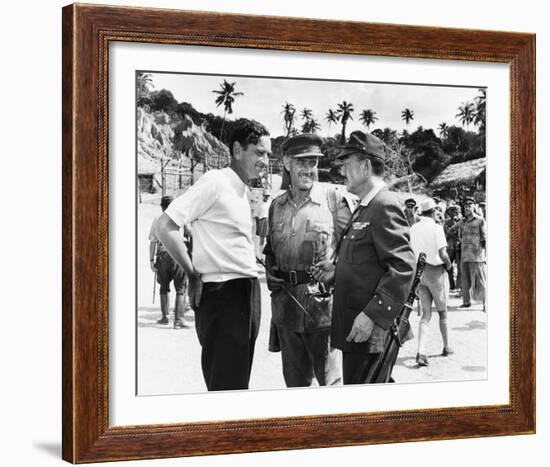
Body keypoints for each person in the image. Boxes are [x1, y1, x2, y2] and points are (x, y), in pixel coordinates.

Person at [154, 119, 271, 391]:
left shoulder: (242, 190)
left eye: (268, 154)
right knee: (226, 388)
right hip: (223, 295)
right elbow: (165, 226)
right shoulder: (216, 181)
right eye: (259, 152)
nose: (265, 160)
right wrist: (193, 274)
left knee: (237, 384)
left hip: (245, 291)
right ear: (238, 150)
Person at [312, 131, 415, 384]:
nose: (342, 171)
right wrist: (336, 271)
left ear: (365, 166)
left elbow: (403, 266)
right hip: (356, 329)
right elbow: (368, 262)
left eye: (347, 164)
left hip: (368, 330)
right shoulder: (366, 206)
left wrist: (372, 315)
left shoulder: (384, 205)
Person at [264, 133, 355, 388]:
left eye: (313, 162)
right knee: (295, 387)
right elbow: (270, 250)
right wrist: (271, 269)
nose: (308, 169)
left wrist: (337, 269)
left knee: (330, 385)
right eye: (302, 162)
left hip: (323, 311)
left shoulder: (334, 199)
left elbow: (357, 247)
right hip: (286, 310)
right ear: (286, 163)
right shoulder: (275, 206)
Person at [410, 198, 454, 367]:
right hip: (436, 272)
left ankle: (421, 351)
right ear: (434, 211)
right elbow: (443, 254)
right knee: (443, 312)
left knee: (425, 314)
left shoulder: (413, 228)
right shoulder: (437, 228)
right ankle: (447, 346)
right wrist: (449, 265)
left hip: (420, 272)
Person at [148, 195, 190, 329]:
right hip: (178, 255)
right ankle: (178, 320)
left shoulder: (156, 220)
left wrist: (151, 261)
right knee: (181, 288)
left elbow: (153, 242)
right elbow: (189, 233)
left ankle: (165, 317)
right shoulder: (181, 217)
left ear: (161, 207)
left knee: (163, 288)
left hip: (162, 256)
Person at [457, 197, 487, 310]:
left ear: (474, 207)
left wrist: (484, 253)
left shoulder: (480, 220)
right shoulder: (462, 221)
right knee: (465, 280)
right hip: (465, 254)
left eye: (469, 205)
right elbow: (452, 230)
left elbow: (485, 237)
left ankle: (485, 304)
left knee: (481, 280)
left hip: (477, 255)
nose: (467, 207)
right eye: (465, 206)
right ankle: (466, 301)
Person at [444, 205, 462, 291]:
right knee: (448, 266)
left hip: (459, 246)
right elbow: (448, 233)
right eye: (453, 212)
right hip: (450, 246)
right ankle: (451, 285)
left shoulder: (462, 221)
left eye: (456, 212)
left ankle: (459, 285)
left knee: (460, 267)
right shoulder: (447, 222)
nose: (455, 214)